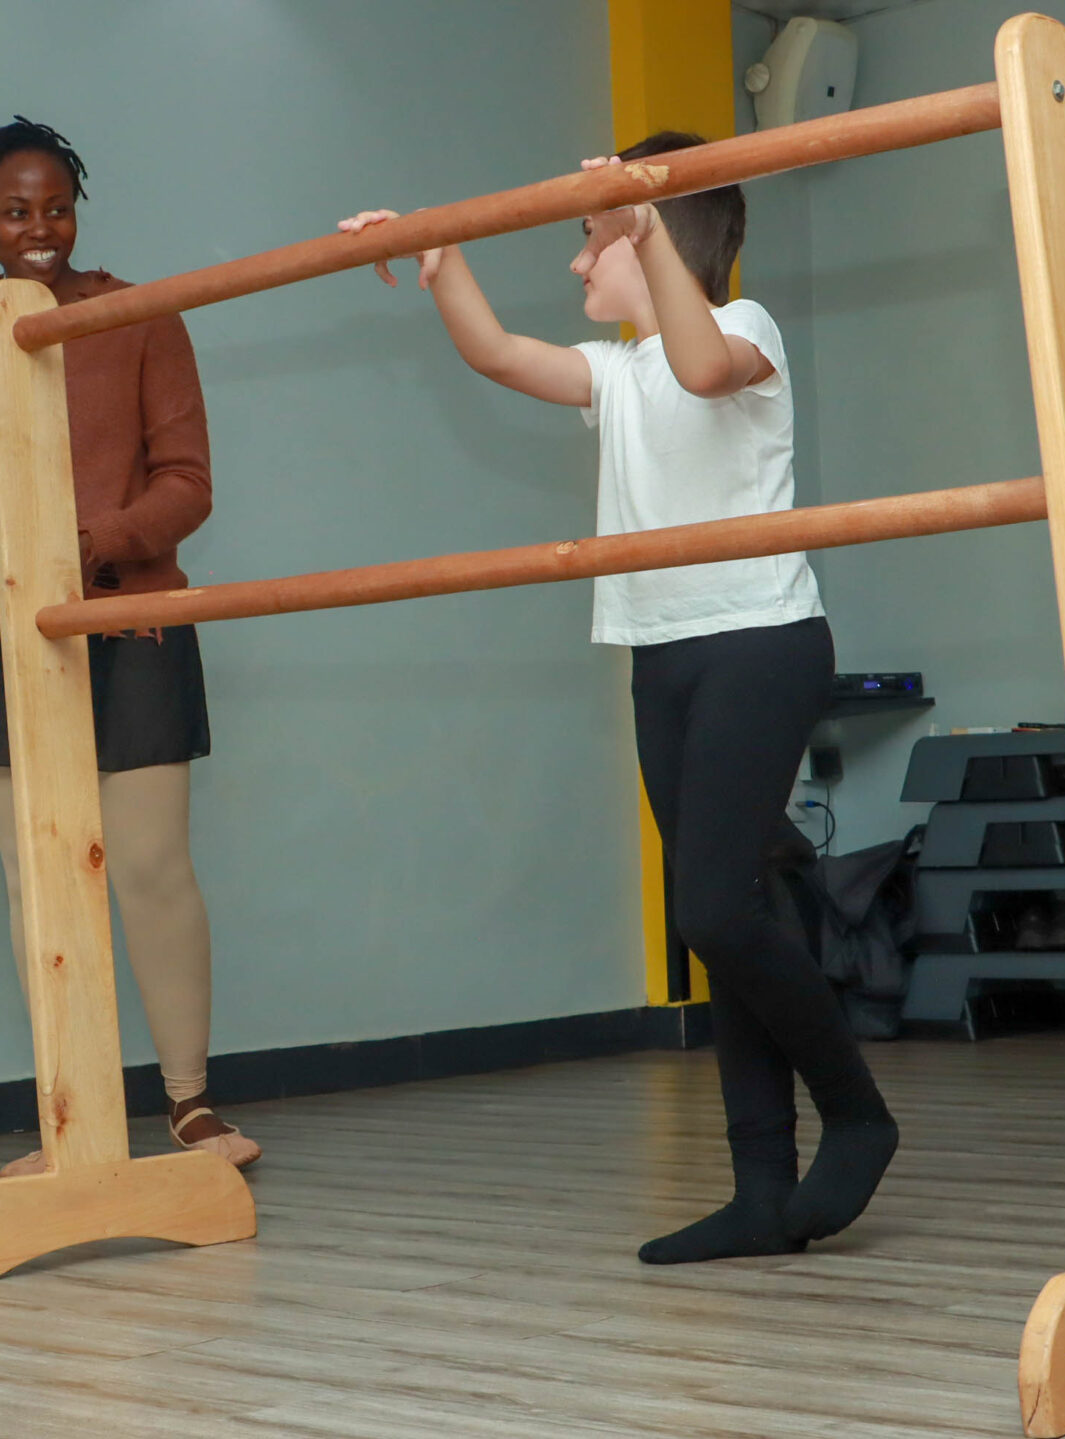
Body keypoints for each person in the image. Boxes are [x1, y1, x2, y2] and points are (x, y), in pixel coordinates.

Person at [341, 133, 895, 1263]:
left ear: (654, 236)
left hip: (758, 641)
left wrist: (639, 214)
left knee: (713, 909)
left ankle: (857, 1111)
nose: (575, 264)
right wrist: (440, 257)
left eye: (587, 239)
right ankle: (758, 1185)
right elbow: (500, 356)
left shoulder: (743, 331)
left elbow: (702, 372)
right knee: (728, 913)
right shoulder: (618, 372)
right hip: (661, 653)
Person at [0, 117, 258, 1174]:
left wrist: (85, 544)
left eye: (56, 207)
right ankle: (72, 1114)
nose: (39, 229)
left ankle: (190, 1103)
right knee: (38, 879)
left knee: (151, 865)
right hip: (2, 635)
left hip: (132, 621)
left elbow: (189, 483)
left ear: (79, 209)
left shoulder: (140, 317)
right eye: (14, 212)